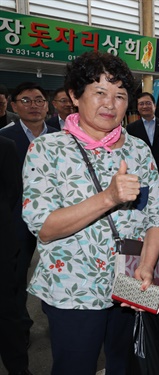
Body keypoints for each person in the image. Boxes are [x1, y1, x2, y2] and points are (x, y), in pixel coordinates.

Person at [21, 51, 159, 374]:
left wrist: (146, 266)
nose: (111, 103)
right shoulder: (47, 150)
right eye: (100, 92)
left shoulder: (137, 149)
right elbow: (44, 226)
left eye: (120, 95)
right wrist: (109, 198)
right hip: (72, 292)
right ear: (75, 96)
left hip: (130, 284)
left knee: (127, 365)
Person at [0, 82, 60, 349]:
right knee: (16, 276)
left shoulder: (62, 136)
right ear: (14, 106)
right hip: (17, 220)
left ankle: (58, 316)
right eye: (25, 101)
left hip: (59, 219)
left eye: (39, 100)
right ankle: (19, 324)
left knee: (57, 269)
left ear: (47, 105)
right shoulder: (5, 137)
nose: (33, 105)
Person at [127, 92, 159, 252]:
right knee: (141, 205)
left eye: (148, 103)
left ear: (154, 106)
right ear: (137, 107)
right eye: (141, 104)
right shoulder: (131, 128)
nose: (145, 106)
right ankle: (144, 238)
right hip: (140, 176)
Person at [0, 136, 32, 375]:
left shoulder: (4, 146)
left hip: (2, 249)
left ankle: (19, 369)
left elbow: (13, 194)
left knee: (7, 314)